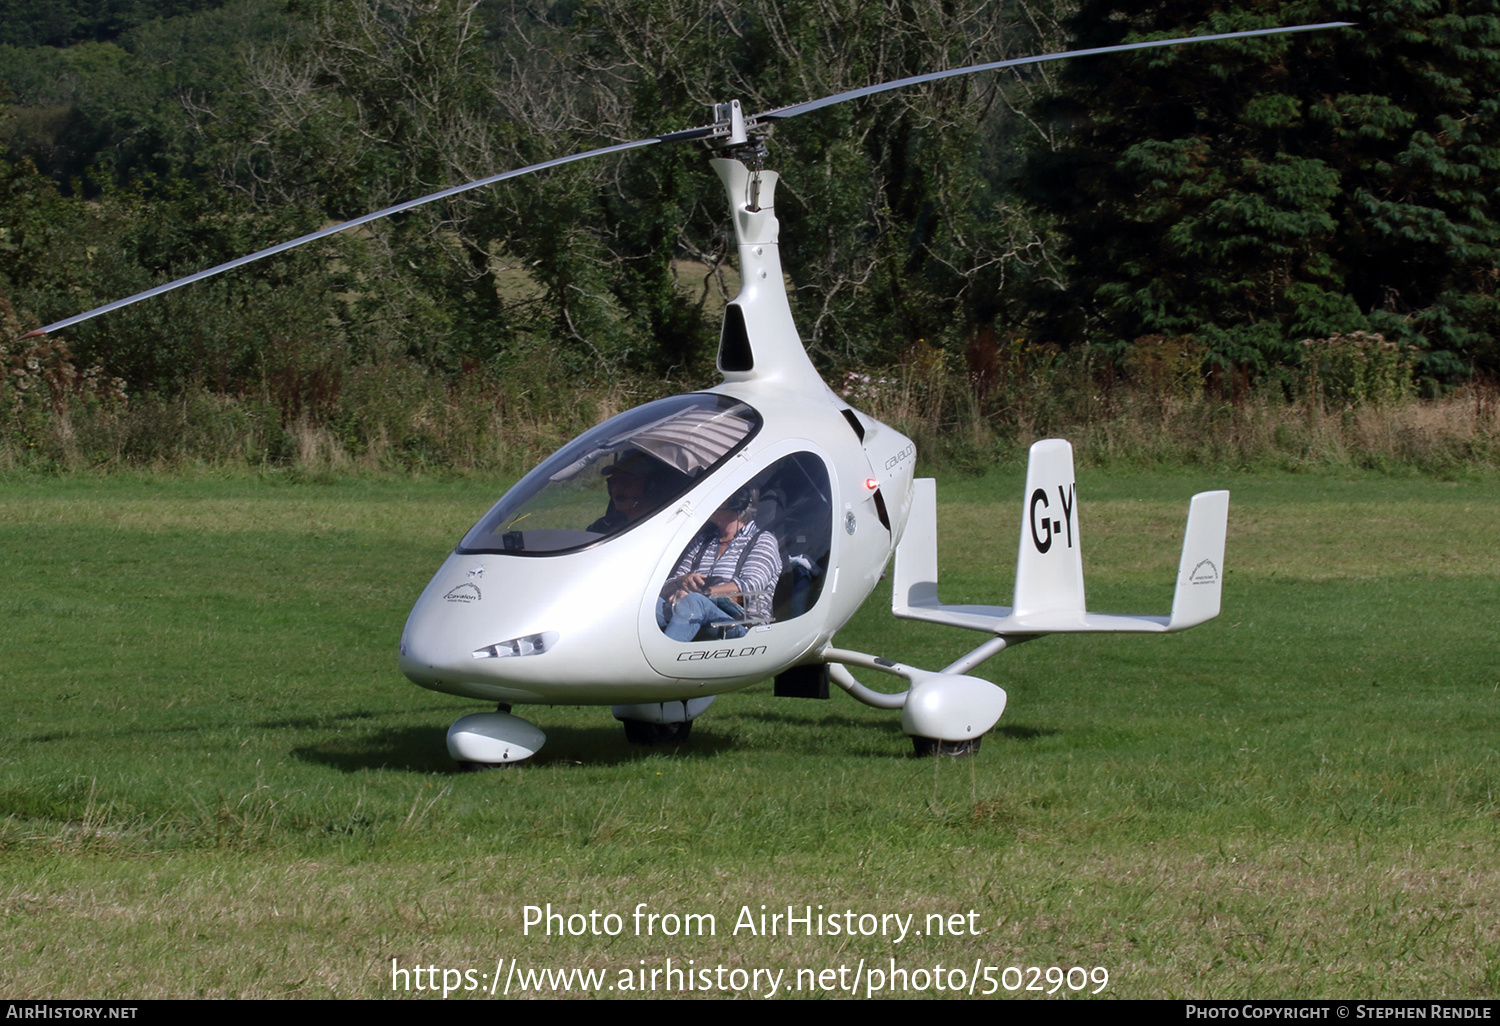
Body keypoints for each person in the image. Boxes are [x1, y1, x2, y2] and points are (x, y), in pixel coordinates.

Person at [657, 489, 781, 642]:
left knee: (694, 601)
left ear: (736, 502)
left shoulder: (763, 541)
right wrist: (680, 582)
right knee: (651, 606)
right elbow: (665, 586)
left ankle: (665, 661)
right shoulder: (702, 541)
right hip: (690, 613)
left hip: (743, 628)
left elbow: (748, 591)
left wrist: (702, 594)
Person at [588, 452, 655, 535]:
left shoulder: (660, 529)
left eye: (626, 481)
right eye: (613, 482)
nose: (616, 489)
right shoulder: (602, 527)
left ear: (649, 486)